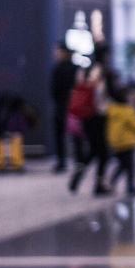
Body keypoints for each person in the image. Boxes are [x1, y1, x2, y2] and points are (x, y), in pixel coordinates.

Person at [69, 45, 122, 196]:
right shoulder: (104, 72)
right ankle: (99, 184)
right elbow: (112, 93)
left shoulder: (83, 71)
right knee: (103, 151)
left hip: (85, 115)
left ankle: (80, 171)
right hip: (99, 115)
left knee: (93, 148)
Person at [106, 87, 135, 195]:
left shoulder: (111, 110)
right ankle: (130, 186)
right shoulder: (127, 111)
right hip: (128, 142)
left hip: (116, 142)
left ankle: (112, 181)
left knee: (123, 164)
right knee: (130, 166)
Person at [49, 42, 77, 172]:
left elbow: (53, 89)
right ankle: (79, 159)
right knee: (76, 133)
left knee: (60, 134)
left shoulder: (58, 68)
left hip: (61, 105)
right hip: (74, 106)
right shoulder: (75, 68)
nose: (56, 54)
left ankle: (62, 161)